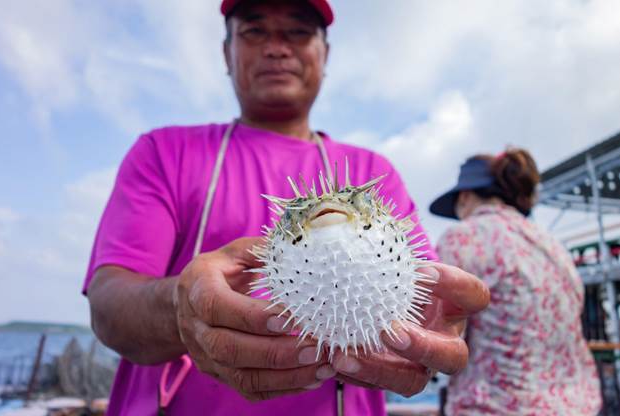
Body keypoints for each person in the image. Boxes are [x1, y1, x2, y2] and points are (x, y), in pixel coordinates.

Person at [84, 1, 490, 414]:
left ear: (325, 54)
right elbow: (108, 307)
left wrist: (439, 322)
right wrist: (179, 306)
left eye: (297, 32)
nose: (277, 48)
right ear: (227, 53)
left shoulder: (374, 174)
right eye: (255, 31)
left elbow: (425, 295)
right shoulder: (164, 153)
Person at [430, 148, 602, 415]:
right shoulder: (552, 245)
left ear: (464, 197)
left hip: (498, 406)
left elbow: (441, 332)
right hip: (579, 405)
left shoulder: (463, 237)